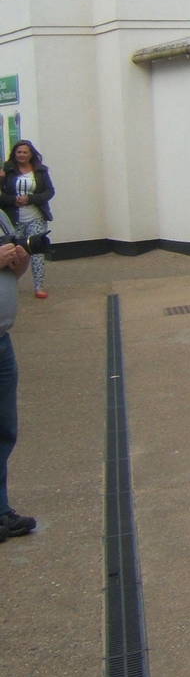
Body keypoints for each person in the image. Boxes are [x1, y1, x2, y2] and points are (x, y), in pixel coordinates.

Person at [0, 208, 36, 540]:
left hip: (2, 342)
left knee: (4, 431)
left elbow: (15, 272)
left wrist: (19, 259)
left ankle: (1, 512)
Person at [1, 141, 53, 299]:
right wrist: (13, 200)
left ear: (31, 154)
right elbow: (1, 197)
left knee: (36, 252)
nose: (22, 155)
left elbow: (49, 192)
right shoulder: (7, 172)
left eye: (25, 152)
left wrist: (31, 199)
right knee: (13, 253)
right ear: (14, 154)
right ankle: (10, 286)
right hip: (14, 219)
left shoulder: (41, 171)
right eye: (19, 152)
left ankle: (39, 286)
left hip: (36, 217)